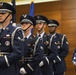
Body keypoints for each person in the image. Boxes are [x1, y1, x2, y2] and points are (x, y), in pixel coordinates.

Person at [0, 2, 24, 75]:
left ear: (10, 16)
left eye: (3, 13)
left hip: (8, 68)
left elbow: (18, 52)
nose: (0, 15)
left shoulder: (16, 31)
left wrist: (2, 61)